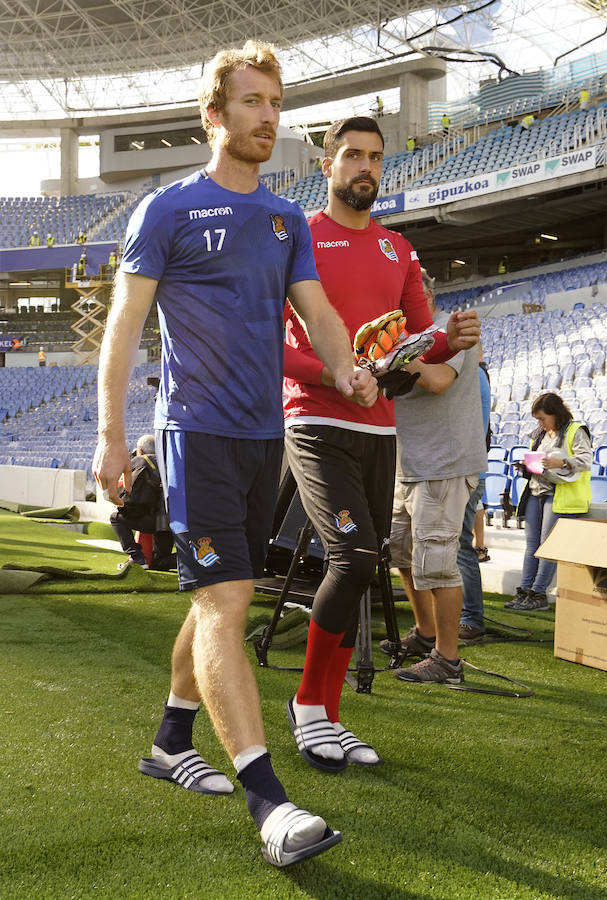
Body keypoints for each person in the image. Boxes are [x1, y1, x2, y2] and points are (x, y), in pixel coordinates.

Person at [92, 41, 378, 869]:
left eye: (275, 104)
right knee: (226, 603)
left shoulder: (286, 219)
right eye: (251, 102)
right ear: (214, 116)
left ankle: (169, 741)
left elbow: (318, 314)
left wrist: (347, 370)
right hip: (194, 430)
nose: (267, 117)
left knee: (219, 595)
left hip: (266, 437)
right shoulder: (167, 210)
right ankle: (269, 804)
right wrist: (112, 436)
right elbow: (122, 330)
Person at [284, 118, 481, 759]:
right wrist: (335, 376)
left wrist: (455, 336)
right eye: (351, 156)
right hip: (315, 421)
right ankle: (309, 705)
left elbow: (419, 344)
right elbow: (267, 344)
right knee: (353, 559)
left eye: (374, 157)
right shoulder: (298, 239)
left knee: (364, 567)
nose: (365, 166)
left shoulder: (399, 250)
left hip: (380, 427)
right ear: (327, 166)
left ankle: (329, 715)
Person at [384, 267, 486, 683]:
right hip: (406, 463)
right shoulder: (396, 338)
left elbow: (440, 380)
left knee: (439, 563)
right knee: (402, 554)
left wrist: (397, 360)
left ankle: (448, 660)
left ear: (426, 291)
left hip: (444, 462)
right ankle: (426, 633)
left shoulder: (452, 331)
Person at [506, 393, 592, 612]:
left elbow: (585, 460)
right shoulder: (539, 433)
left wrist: (560, 462)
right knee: (532, 545)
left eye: (542, 418)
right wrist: (526, 466)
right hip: (536, 490)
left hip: (560, 493)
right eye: (538, 419)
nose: (540, 423)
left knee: (547, 545)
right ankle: (525, 591)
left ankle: (538, 593)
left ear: (555, 414)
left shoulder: (575, 430)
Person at [456, 344, 492, 641]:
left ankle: (472, 617)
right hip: (465, 472)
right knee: (455, 548)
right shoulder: (477, 374)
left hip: (464, 473)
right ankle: (465, 614)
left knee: (459, 548)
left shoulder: (473, 375)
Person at [109, 434, 175, 570]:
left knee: (115, 518)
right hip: (171, 522)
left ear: (140, 450)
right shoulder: (171, 462)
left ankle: (137, 558)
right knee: (160, 563)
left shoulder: (139, 462)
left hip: (151, 520)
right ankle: (186, 560)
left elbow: (131, 499)